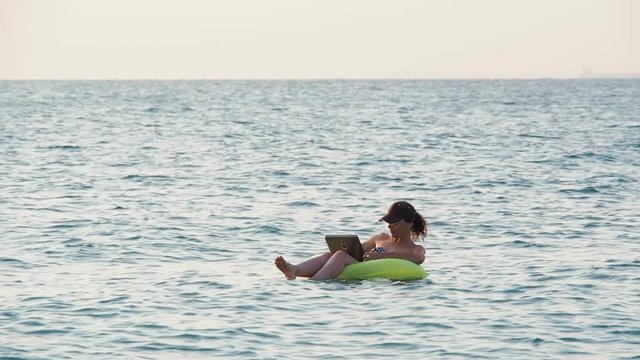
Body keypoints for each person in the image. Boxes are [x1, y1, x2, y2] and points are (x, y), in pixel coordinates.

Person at [274, 201, 427, 280]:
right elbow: (356, 251)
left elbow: (418, 258)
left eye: (395, 223)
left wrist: (381, 256)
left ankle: (314, 283)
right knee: (333, 254)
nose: (390, 226)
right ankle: (294, 270)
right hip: (361, 266)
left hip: (373, 274)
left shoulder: (415, 249)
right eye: (389, 222)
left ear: (409, 223)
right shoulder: (380, 238)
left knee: (340, 256)